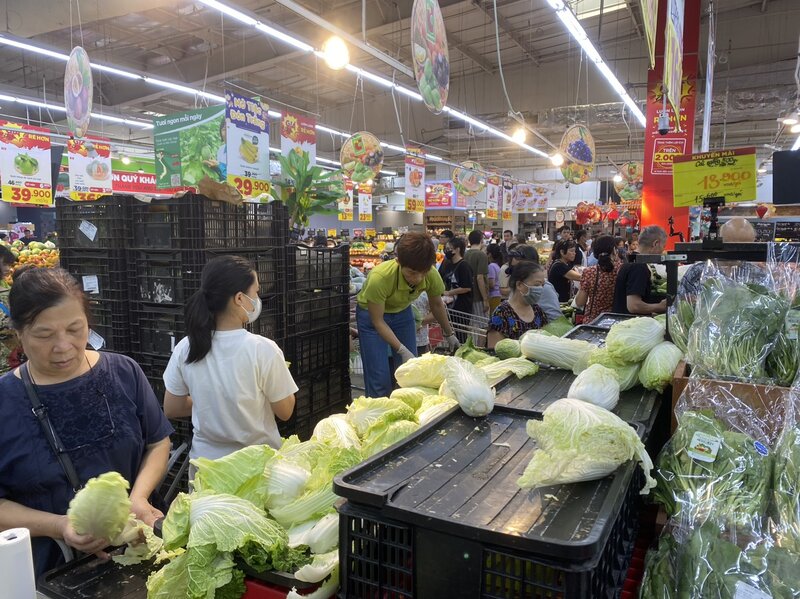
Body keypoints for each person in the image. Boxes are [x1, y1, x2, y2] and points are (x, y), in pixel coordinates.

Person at [0, 267, 173, 576]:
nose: (63, 346)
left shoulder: (124, 372)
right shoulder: (5, 400)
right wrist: (59, 525)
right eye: (44, 335)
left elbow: (158, 441)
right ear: (18, 333)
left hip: (143, 551)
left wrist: (139, 497)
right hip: (55, 572)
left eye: (75, 328)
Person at [164, 256, 297, 463]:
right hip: (256, 470)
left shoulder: (186, 347)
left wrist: (210, 402)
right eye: (256, 292)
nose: (258, 298)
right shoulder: (263, 349)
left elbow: (172, 408)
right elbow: (285, 411)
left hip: (206, 469)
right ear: (239, 299)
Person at [356, 232, 460, 397]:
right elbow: (378, 322)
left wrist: (450, 334)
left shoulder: (431, 274)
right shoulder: (380, 277)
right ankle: (378, 413)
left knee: (410, 373)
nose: (418, 278)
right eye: (411, 272)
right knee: (379, 378)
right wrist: (401, 349)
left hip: (403, 312)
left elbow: (437, 304)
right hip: (372, 318)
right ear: (398, 262)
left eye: (423, 272)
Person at [487, 261, 549, 349]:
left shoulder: (538, 311)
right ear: (519, 285)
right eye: (537, 285)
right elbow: (493, 351)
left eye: (542, 285)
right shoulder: (502, 314)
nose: (540, 289)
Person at [612, 225, 668, 315]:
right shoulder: (639, 266)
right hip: (629, 324)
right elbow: (634, 306)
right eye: (663, 246)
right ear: (655, 243)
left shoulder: (632, 260)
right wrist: (659, 306)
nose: (662, 251)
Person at [575, 235, 622, 322]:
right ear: (614, 251)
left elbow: (580, 302)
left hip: (595, 321)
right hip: (618, 320)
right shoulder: (623, 270)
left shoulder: (590, 272)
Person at [442, 236, 473, 343]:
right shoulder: (448, 264)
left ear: (457, 249)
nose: (447, 251)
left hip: (461, 307)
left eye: (449, 248)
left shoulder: (464, 266)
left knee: (460, 335)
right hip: (450, 307)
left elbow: (467, 287)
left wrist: (449, 292)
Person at [0, 245, 18, 375]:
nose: (9, 269)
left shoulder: (8, 293)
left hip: (11, 366)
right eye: (5, 264)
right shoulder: (7, 295)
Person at [464, 230, 490, 318]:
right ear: (481, 240)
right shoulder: (482, 255)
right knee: (482, 327)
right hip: (478, 296)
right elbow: (480, 278)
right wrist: (485, 299)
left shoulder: (465, 254)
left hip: (467, 296)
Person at [486, 244, 503, 314]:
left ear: (489, 254)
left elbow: (491, 284)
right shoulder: (497, 265)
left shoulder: (491, 266)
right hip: (497, 295)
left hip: (493, 296)